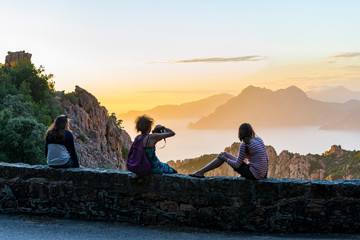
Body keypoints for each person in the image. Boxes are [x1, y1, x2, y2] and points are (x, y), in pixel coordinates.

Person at [189, 123, 268, 179]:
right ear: (251, 131)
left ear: (240, 133)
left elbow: (237, 165)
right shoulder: (259, 139)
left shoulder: (245, 145)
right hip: (260, 173)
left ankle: (200, 172)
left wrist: (225, 159)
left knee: (223, 155)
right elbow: (266, 159)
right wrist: (264, 175)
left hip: (253, 174)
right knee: (224, 154)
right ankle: (200, 172)